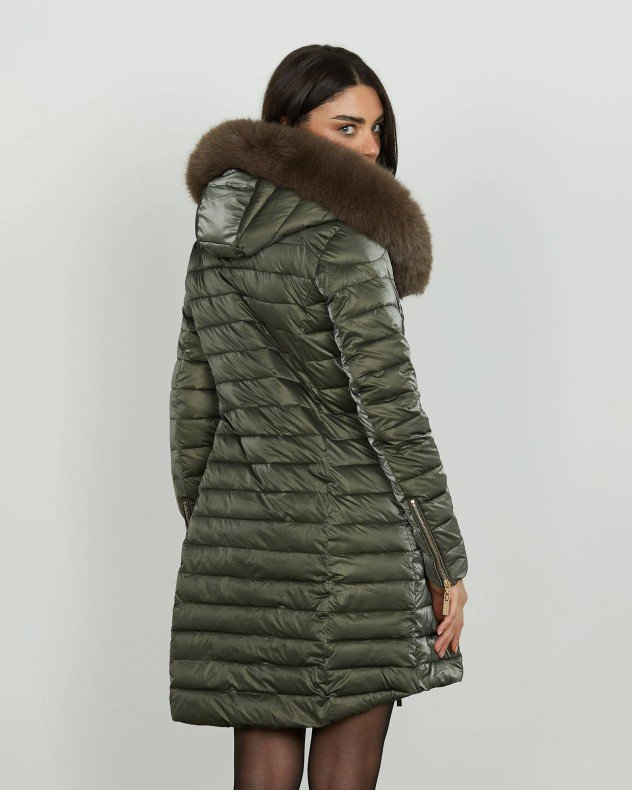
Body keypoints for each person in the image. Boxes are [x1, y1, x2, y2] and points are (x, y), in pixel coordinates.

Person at [168, 44, 469, 789]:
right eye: (346, 127)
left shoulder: (215, 240)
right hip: (356, 542)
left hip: (242, 540)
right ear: (286, 129)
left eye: (376, 128)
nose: (368, 146)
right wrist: (446, 562)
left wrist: (221, 526)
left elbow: (194, 401)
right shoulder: (348, 238)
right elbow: (393, 409)